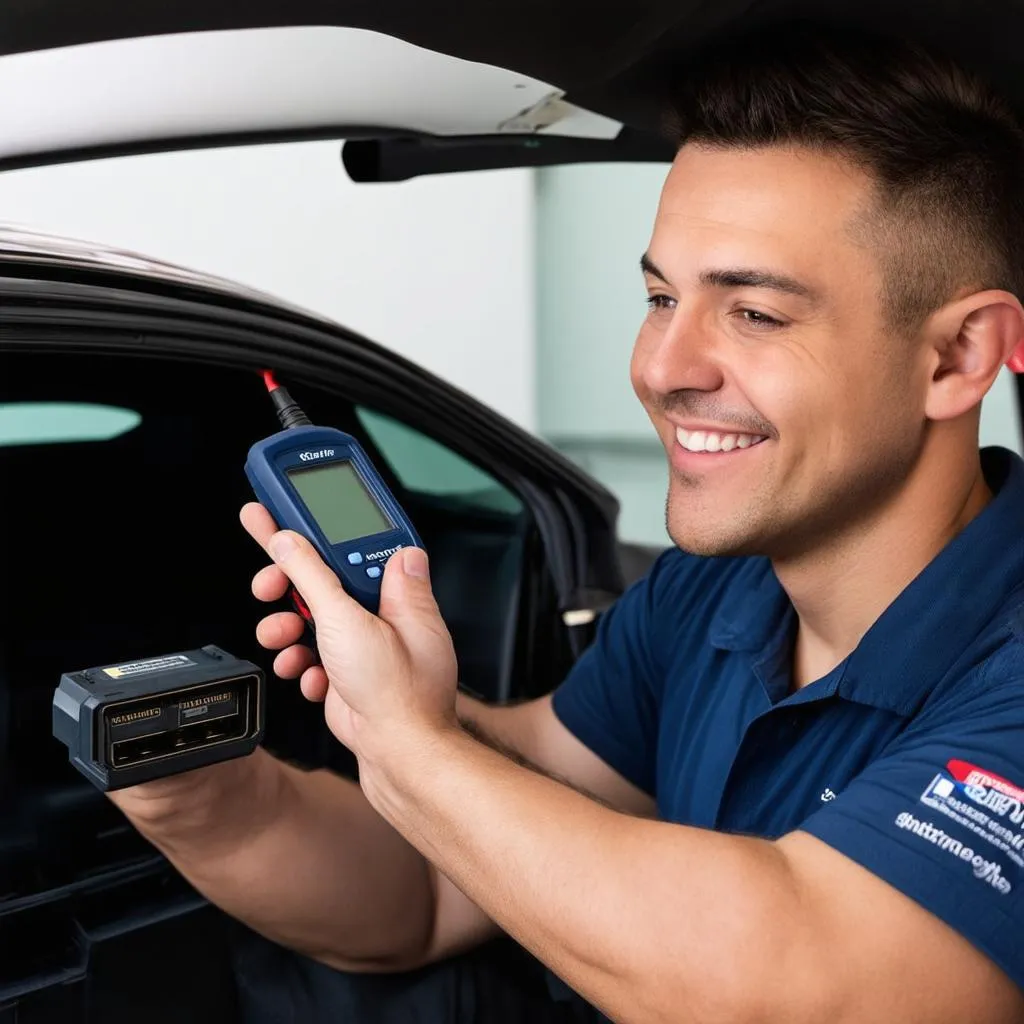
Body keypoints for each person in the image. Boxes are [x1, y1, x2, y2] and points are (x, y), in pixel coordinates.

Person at [111, 21, 1024, 1023]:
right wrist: (206, 795)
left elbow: (803, 982)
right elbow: (437, 888)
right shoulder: (709, 594)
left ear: (958, 357)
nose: (662, 367)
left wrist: (416, 746)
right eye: (658, 295)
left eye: (753, 313)